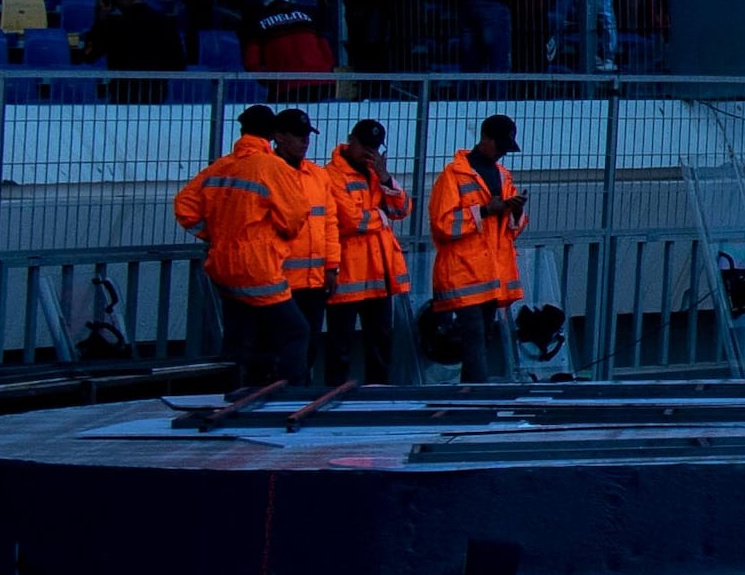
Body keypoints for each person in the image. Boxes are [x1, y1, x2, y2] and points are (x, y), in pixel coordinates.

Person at [174, 105, 322, 392]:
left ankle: (230, 392)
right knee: (297, 331)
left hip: (222, 264)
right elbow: (293, 217)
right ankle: (291, 394)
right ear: (271, 134)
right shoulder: (272, 167)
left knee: (239, 335)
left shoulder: (222, 166)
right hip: (257, 266)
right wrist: (276, 236)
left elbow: (185, 207)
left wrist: (215, 235)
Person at [428, 115, 526, 383]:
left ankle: (473, 395)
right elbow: (442, 224)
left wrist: (515, 211)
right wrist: (484, 211)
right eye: (500, 146)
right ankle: (477, 398)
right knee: (474, 338)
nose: (502, 153)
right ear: (485, 140)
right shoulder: (453, 176)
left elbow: (511, 231)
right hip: (463, 274)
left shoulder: (503, 176)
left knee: (481, 338)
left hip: (490, 276)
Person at [320, 118, 411, 388]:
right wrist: (381, 216)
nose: (368, 153)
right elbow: (350, 221)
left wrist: (385, 178)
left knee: (381, 339)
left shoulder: (375, 175)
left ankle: (378, 391)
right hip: (346, 274)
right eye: (364, 146)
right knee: (340, 342)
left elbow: (402, 210)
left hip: (378, 274)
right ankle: (333, 392)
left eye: (373, 148)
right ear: (351, 140)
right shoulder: (331, 175)